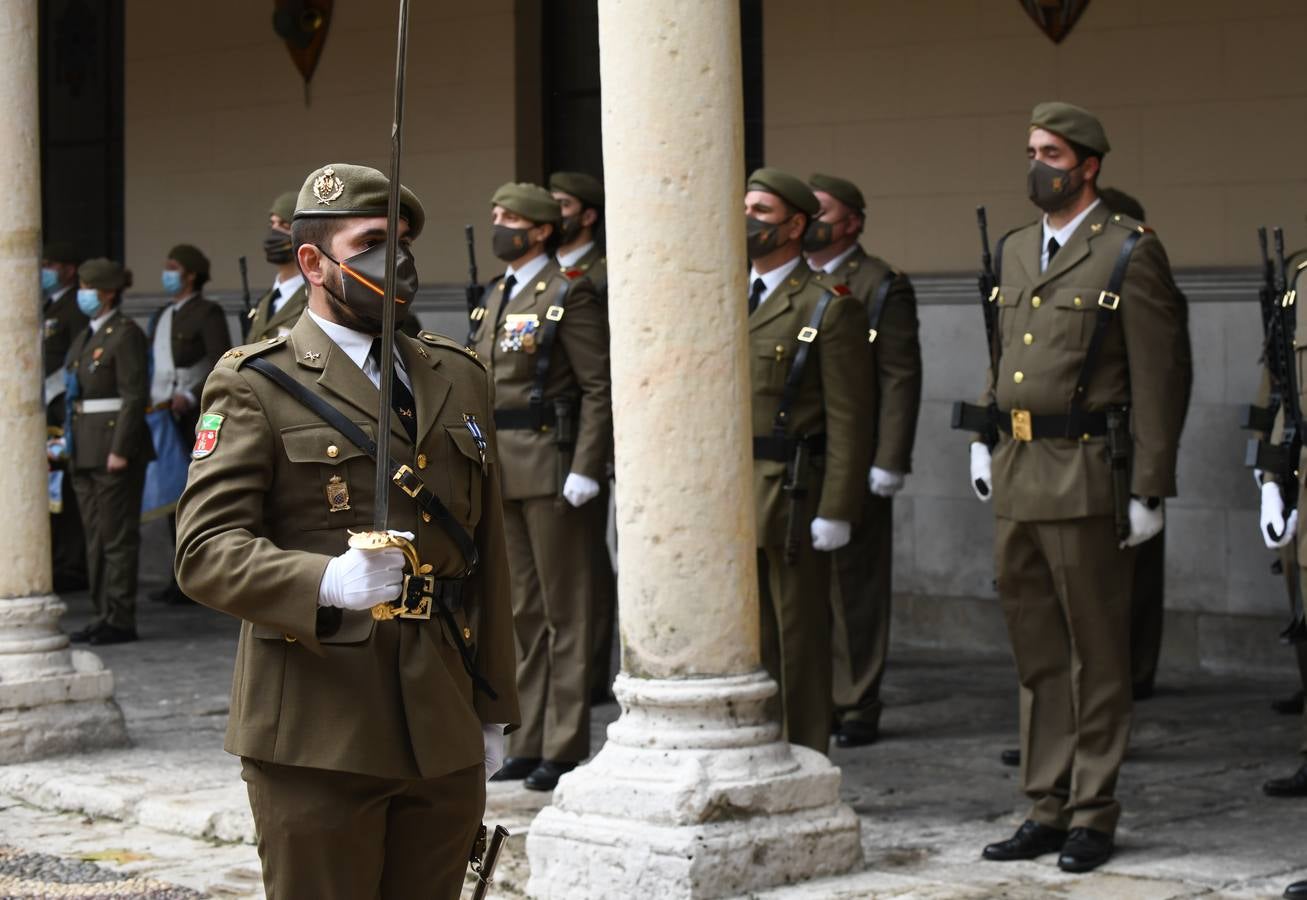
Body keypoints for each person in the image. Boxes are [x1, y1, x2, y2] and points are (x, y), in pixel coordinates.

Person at [174, 163, 520, 900]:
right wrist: (323, 581)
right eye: (369, 244)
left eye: (401, 242)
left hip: (443, 721)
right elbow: (204, 552)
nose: (394, 263)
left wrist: (492, 710)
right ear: (313, 263)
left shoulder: (459, 376)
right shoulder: (254, 381)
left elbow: (489, 557)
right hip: (317, 726)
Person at [970, 103, 1188, 873]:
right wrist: (984, 434)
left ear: (1088, 165)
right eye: (1029, 149)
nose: (1036, 164)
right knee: (1035, 653)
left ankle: (1092, 811)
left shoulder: (1128, 252)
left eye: (1050, 152)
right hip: (1018, 469)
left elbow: (1161, 378)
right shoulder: (1014, 248)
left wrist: (1149, 486)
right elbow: (1002, 353)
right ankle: (1044, 802)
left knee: (1095, 656)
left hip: (1088, 474)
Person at [470, 181, 612, 791]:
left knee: (566, 612)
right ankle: (524, 740)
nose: (498, 225)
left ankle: (565, 741)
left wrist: (587, 465)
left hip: (553, 469)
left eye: (508, 217)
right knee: (521, 611)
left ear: (540, 230)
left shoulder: (568, 293)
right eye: (496, 214)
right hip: (502, 466)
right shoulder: (496, 293)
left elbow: (598, 386)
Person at [744, 167, 875, 753]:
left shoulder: (828, 306)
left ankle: (802, 752)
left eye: (762, 213)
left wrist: (838, 506)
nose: (748, 222)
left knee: (797, 634)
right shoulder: (721, 293)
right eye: (744, 208)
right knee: (746, 637)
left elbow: (851, 416)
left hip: (792, 489)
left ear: (797, 225)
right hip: (732, 490)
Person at [805, 173, 922, 748]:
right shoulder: (796, 283)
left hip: (859, 452)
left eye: (822, 210)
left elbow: (899, 377)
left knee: (857, 586)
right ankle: (817, 693)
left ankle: (857, 700)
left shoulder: (879, 284)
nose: (811, 219)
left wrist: (889, 458)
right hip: (806, 454)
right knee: (808, 585)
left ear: (851, 221)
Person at [549, 170, 618, 703]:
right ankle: (581, 672)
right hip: (553, 440)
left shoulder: (605, 271)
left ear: (588, 214)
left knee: (590, 568)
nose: (555, 213)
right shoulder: (545, 274)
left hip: (590, 436)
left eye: (564, 204)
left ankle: (592, 670)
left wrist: (591, 459)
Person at [65, 258, 153, 645]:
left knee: (116, 538)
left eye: (88, 288)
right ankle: (103, 612)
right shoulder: (89, 335)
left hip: (112, 449)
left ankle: (120, 616)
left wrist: (121, 449)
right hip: (85, 446)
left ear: (107, 292)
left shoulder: (125, 333)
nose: (82, 294)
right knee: (95, 536)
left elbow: (134, 396)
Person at [147, 244, 232, 604]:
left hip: (191, 415)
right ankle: (177, 573)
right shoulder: (162, 315)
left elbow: (218, 361)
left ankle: (198, 573)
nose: (166, 273)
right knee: (171, 498)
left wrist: (193, 395)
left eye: (173, 268)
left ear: (190, 274)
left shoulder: (207, 313)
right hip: (165, 412)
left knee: (194, 494)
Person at [41, 241, 89, 593]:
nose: (44, 269)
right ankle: (56, 557)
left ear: (70, 269)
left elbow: (75, 360)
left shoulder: (74, 307)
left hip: (60, 403)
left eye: (51, 263)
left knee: (68, 493)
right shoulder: (48, 305)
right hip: (42, 407)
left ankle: (71, 562)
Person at [245, 191, 307, 341]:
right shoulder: (266, 301)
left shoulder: (315, 301)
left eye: (284, 225)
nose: (274, 232)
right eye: (272, 223)